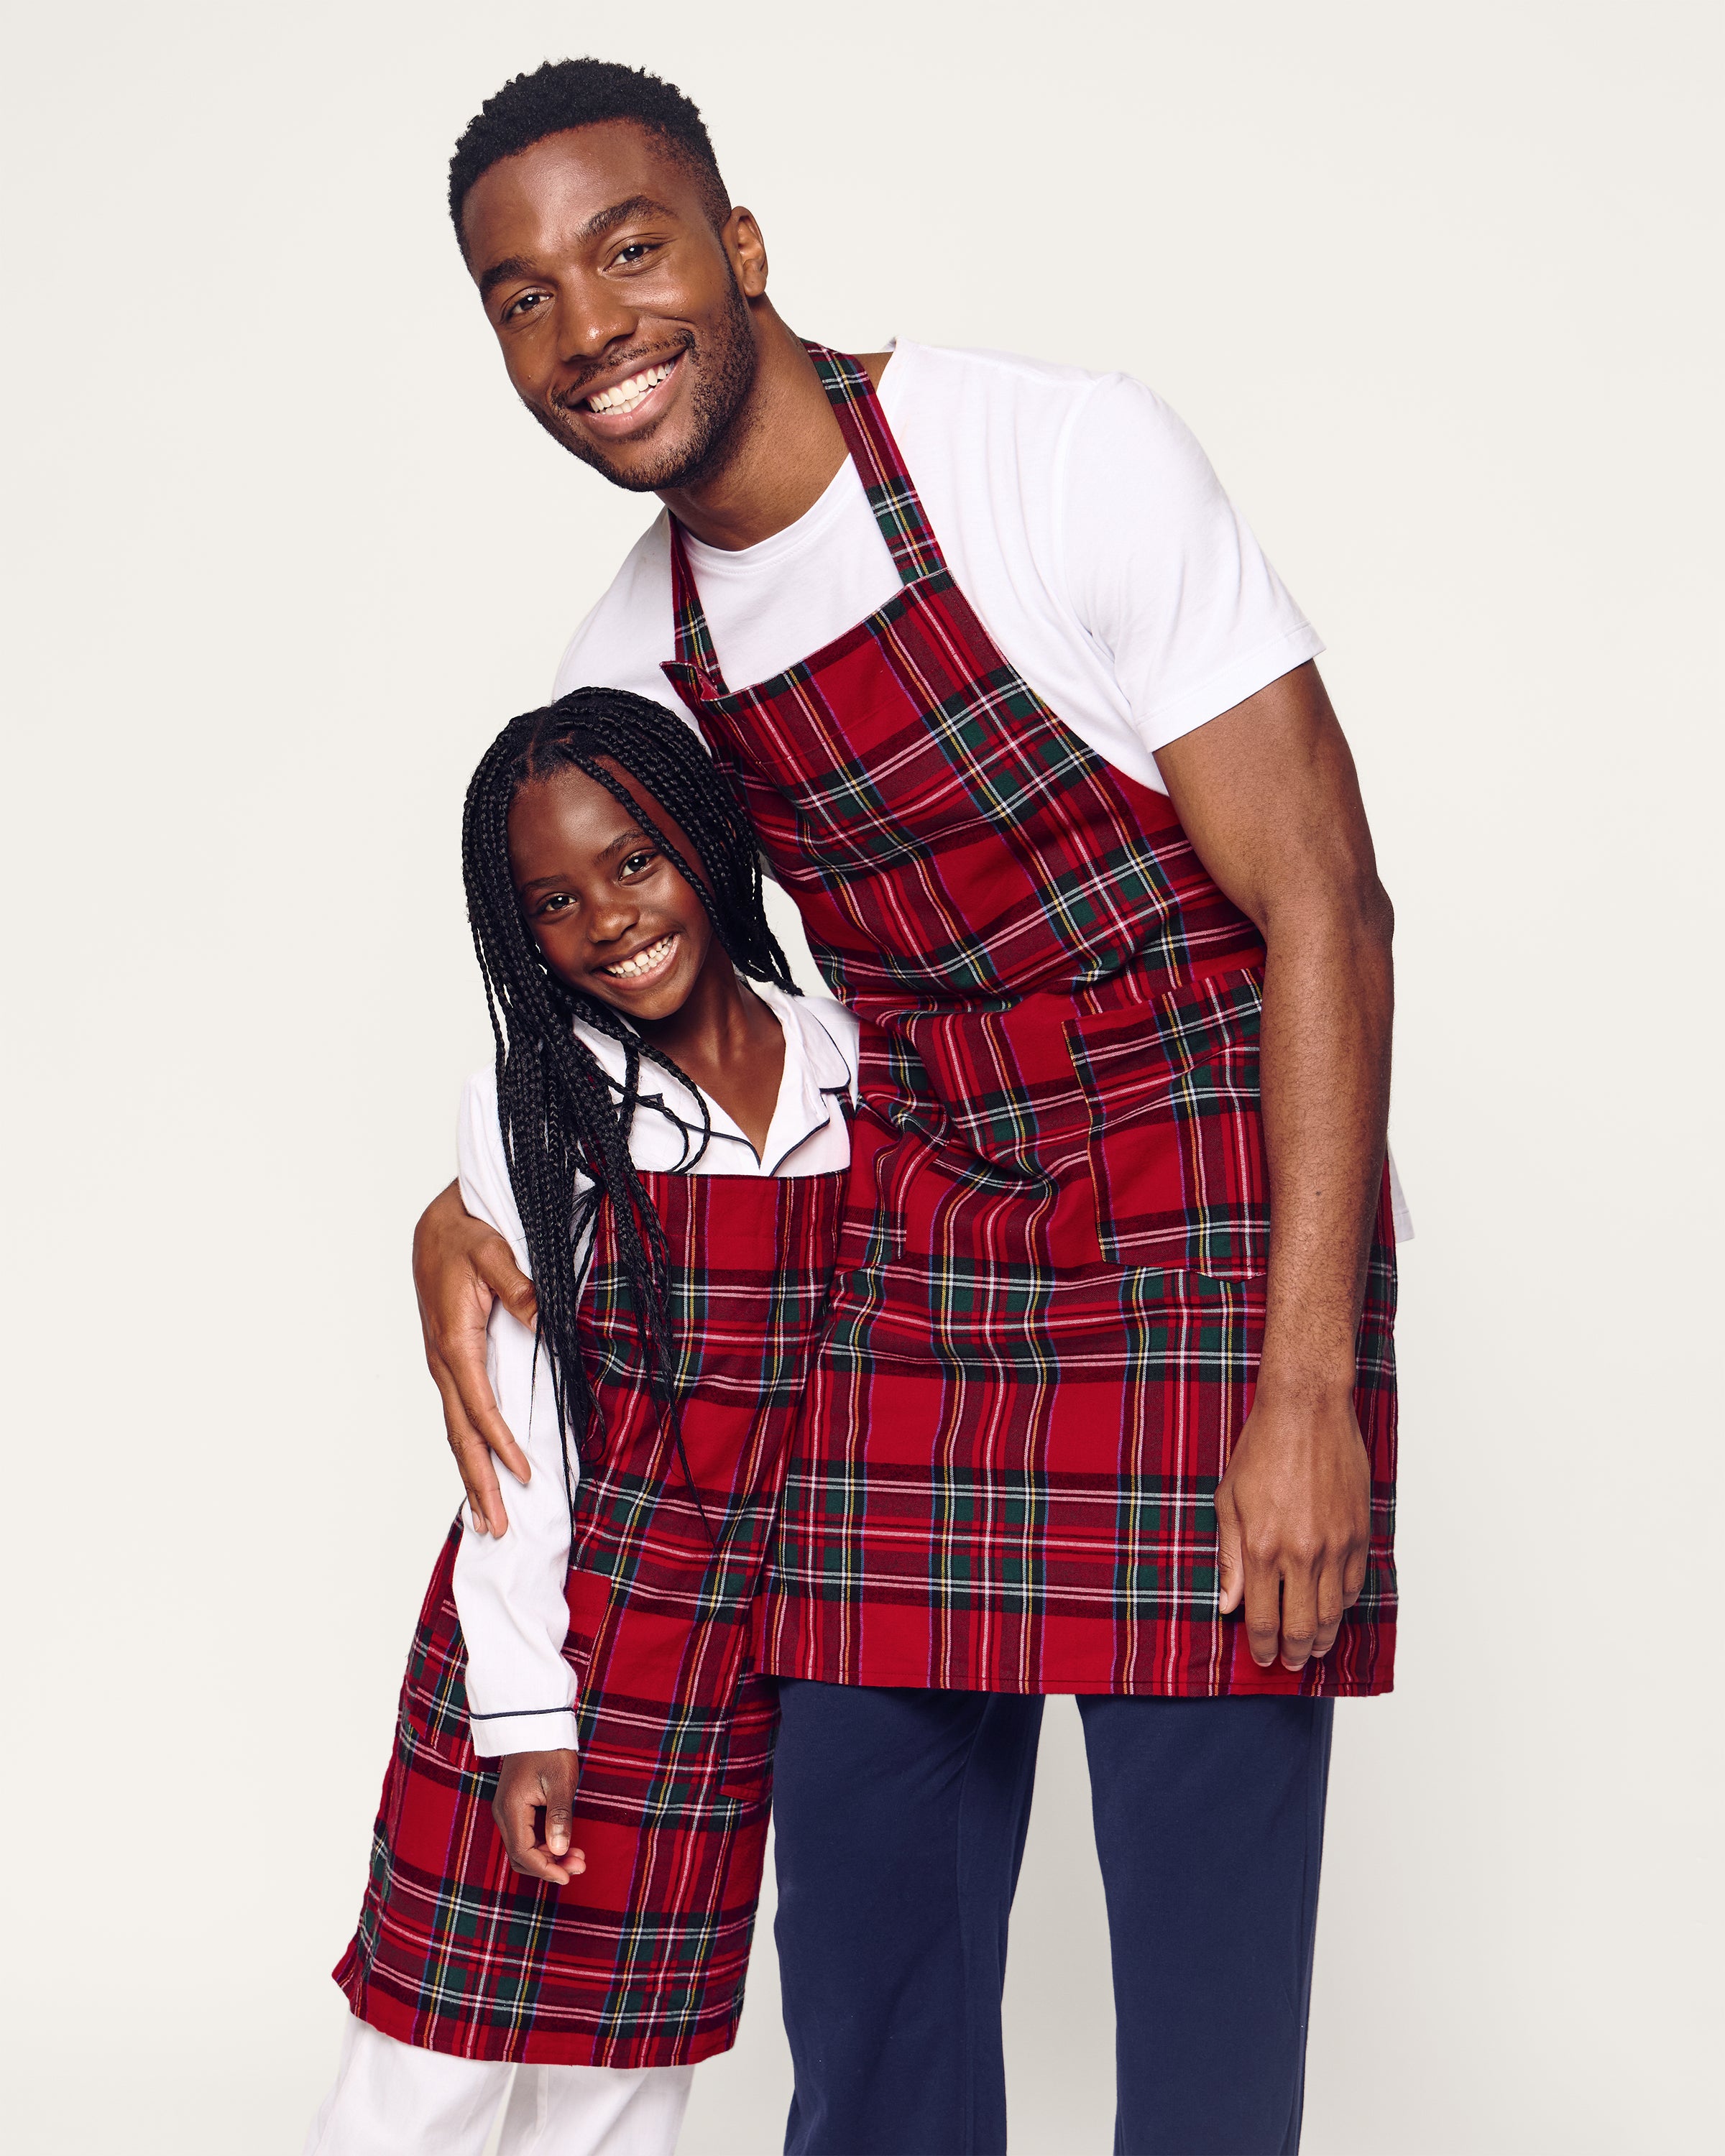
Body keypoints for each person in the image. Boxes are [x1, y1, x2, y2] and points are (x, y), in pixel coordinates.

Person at [413, 58, 1408, 2155]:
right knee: (863, 1946)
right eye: (520, 298)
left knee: (1207, 2006)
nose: (586, 329)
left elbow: (1323, 894)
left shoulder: (1051, 458)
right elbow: (613, 994)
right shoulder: (641, 651)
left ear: (741, 250)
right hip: (927, 1245)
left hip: (1213, 1229)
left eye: (629, 250)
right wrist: (452, 1203)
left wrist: (1307, 1379)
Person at [309, 689, 857, 2155]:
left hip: (728, 1660)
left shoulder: (851, 1066)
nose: (608, 919)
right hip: (548, 1621)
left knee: (628, 2080)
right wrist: (524, 1712)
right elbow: (517, 1444)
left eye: (632, 862)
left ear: (705, 837)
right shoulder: (541, 1106)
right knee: (424, 2066)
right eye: (552, 901)